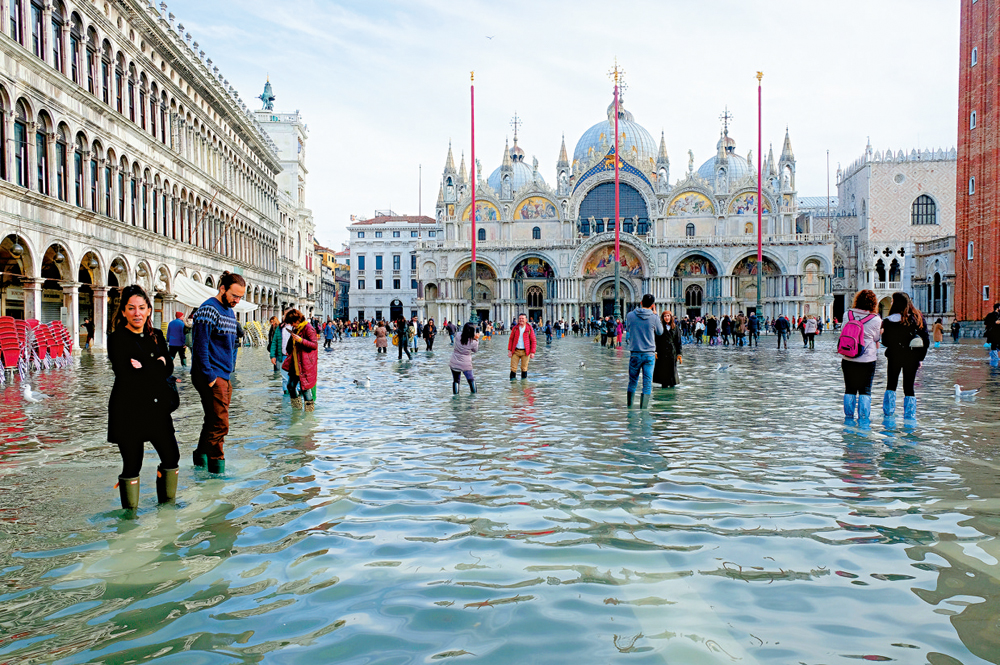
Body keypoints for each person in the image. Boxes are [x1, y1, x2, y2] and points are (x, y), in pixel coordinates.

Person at [107, 284, 179, 509]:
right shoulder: (116, 339)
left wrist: (146, 366)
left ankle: (167, 511)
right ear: (124, 312)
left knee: (171, 457)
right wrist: (157, 364)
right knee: (132, 464)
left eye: (141, 307)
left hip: (157, 408)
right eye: (131, 308)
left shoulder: (157, 335)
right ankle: (130, 518)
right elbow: (127, 375)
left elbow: (169, 367)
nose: (136, 313)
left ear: (149, 309)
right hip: (127, 410)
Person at [191, 271, 245, 474]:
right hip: (212, 374)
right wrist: (210, 376)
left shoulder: (229, 312)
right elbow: (200, 346)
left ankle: (201, 461)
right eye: (234, 295)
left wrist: (229, 369)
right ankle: (216, 469)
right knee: (221, 424)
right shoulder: (208, 310)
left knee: (212, 421)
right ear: (222, 289)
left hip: (223, 374)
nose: (237, 301)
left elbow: (231, 344)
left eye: (240, 297)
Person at [879, 292, 929, 421]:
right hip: (912, 357)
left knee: (891, 384)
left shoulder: (888, 321)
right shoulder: (917, 318)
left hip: (894, 356)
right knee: (909, 387)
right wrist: (920, 358)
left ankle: (888, 414)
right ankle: (909, 416)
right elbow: (926, 340)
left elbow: (885, 342)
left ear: (895, 303)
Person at [840, 289, 881, 422]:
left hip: (848, 357)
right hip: (867, 359)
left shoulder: (847, 314)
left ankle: (848, 418)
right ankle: (863, 419)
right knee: (865, 390)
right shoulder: (876, 319)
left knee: (849, 389)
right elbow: (876, 338)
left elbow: (843, 331)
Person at [625, 294, 663, 409]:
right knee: (647, 383)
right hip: (649, 355)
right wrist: (655, 314)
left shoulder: (630, 315)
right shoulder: (654, 317)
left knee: (632, 381)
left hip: (635, 353)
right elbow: (660, 332)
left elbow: (628, 328)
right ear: (652, 305)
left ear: (641, 302)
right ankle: (644, 410)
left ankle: (630, 407)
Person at [284, 309, 318, 411]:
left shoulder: (308, 328)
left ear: (297, 320)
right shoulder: (296, 329)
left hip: (305, 364)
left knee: (305, 389)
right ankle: (296, 410)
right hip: (295, 363)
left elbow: (314, 345)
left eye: (292, 323)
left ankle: (309, 414)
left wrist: (300, 340)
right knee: (290, 386)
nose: (291, 325)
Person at [653, 309, 682, 388]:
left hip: (672, 353)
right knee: (663, 375)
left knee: (672, 375)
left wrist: (679, 354)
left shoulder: (676, 328)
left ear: (671, 317)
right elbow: (656, 340)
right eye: (665, 316)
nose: (667, 318)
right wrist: (655, 352)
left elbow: (678, 342)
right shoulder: (660, 328)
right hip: (662, 353)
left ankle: (672, 389)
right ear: (663, 318)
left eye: (668, 316)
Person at [449, 322, 480, 394]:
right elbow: (475, 350)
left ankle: (456, 396)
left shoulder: (458, 335)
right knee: (471, 380)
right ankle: (474, 396)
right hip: (466, 364)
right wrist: (476, 339)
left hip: (455, 361)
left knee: (456, 380)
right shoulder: (473, 342)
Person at [508, 313, 536, 380]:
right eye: (520, 318)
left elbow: (533, 340)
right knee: (513, 368)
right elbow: (511, 339)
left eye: (522, 319)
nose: (521, 320)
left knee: (524, 368)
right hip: (515, 351)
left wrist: (532, 352)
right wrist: (509, 350)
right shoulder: (515, 328)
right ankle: (513, 384)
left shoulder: (529, 329)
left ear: (526, 320)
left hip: (526, 352)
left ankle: (524, 384)